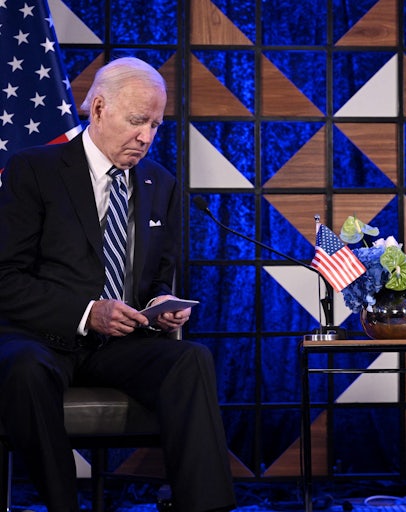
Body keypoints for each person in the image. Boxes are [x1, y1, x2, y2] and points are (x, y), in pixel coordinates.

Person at [0, 57, 236, 512]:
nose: (146, 136)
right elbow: (5, 277)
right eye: (137, 121)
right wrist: (89, 313)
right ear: (99, 109)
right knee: (25, 367)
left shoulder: (160, 183)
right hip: (41, 338)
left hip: (119, 345)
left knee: (191, 359)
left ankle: (206, 508)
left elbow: (157, 276)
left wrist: (162, 303)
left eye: (155, 125)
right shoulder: (34, 169)